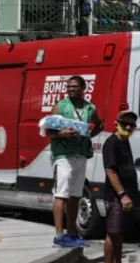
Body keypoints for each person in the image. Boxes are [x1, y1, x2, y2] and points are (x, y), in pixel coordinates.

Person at [44, 75, 103, 248]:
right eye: (69, 86)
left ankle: (72, 233)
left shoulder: (90, 108)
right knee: (61, 193)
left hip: (81, 155)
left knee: (75, 196)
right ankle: (59, 235)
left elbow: (99, 124)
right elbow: (48, 131)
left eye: (75, 86)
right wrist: (62, 134)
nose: (71, 89)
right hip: (63, 155)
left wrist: (87, 135)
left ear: (83, 88)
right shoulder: (60, 106)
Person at [101, 110, 140, 263]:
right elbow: (110, 170)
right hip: (116, 196)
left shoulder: (125, 142)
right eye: (125, 123)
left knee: (119, 232)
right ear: (117, 123)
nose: (129, 127)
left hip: (127, 195)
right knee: (112, 232)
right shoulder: (112, 143)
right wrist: (122, 194)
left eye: (132, 125)